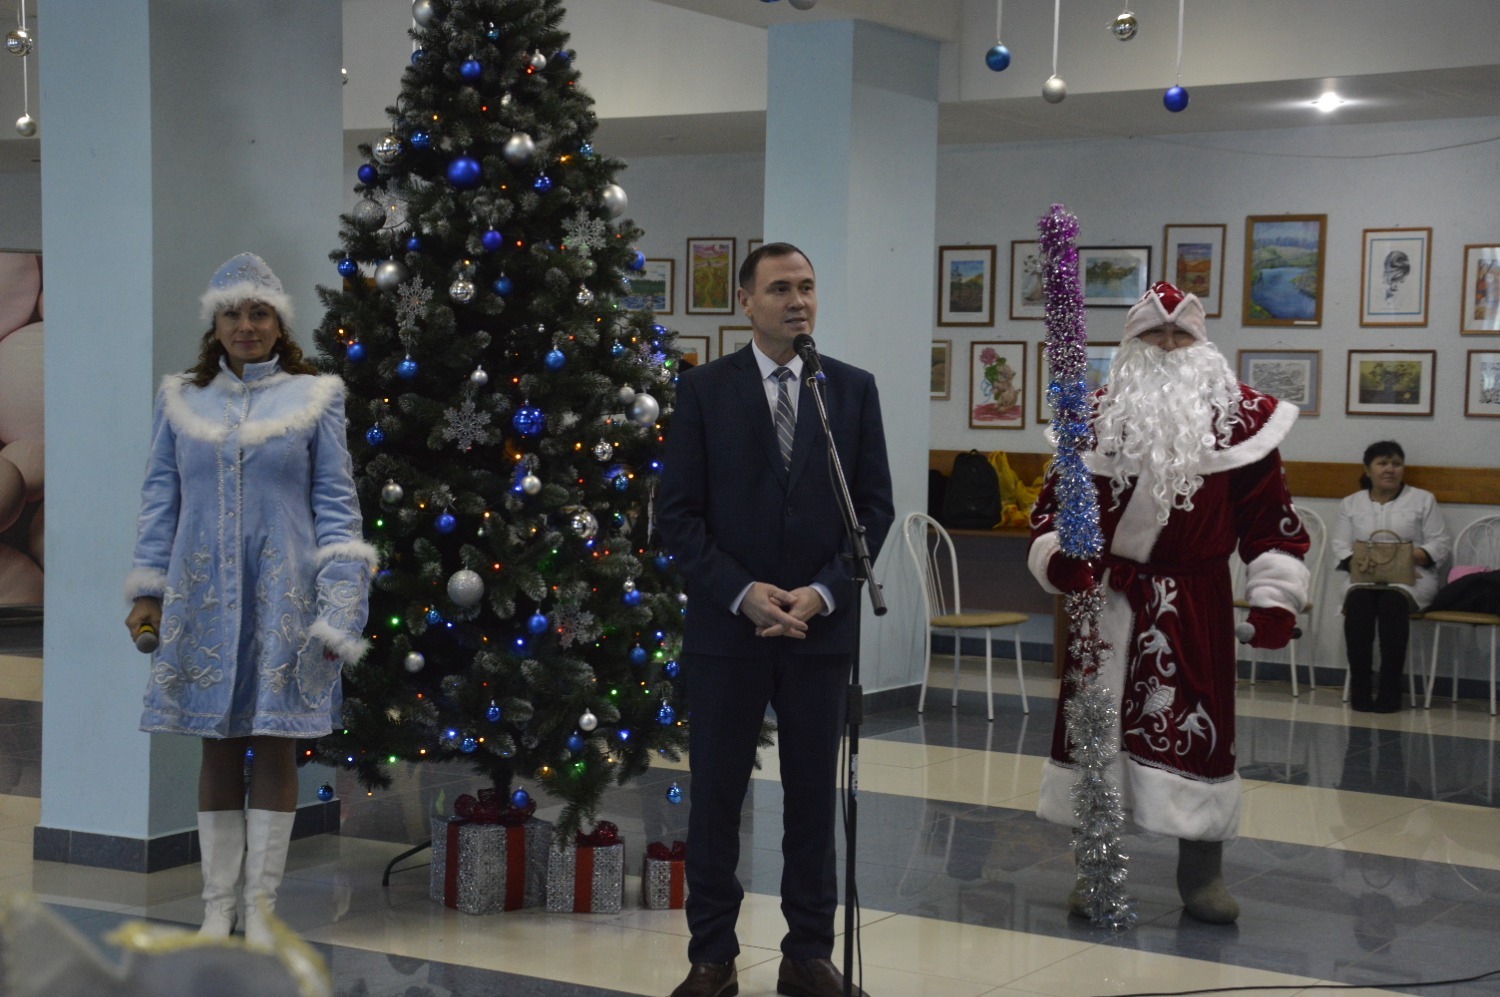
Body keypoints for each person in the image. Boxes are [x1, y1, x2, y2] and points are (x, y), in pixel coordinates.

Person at [1028, 281, 1310, 925]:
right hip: (1106, 604)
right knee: (1096, 736)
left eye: (1180, 333)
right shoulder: (1088, 419)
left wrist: (1274, 598)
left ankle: (1201, 873)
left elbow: (1271, 522)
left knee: (1197, 733)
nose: (1167, 344)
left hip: (1195, 605)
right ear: (1129, 343)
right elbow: (1050, 513)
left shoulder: (1245, 423)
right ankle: (1096, 866)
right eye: (1153, 332)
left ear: (1202, 342)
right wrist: (1060, 556)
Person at [657, 243, 894, 997]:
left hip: (818, 633)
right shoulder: (703, 391)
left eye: (808, 288)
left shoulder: (848, 390)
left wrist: (822, 592)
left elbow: (873, 508)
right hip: (729, 631)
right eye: (781, 289)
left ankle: (808, 953)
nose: (798, 302)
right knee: (716, 799)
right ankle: (711, 956)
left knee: (812, 801)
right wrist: (743, 593)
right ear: (746, 302)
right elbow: (678, 517)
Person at [123, 253, 376, 947]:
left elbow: (337, 505)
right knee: (217, 745)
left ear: (279, 323)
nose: (246, 325)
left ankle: (260, 906)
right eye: (232, 313)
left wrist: (341, 604)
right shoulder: (181, 398)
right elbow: (159, 498)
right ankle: (217, 907)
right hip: (202, 597)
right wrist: (148, 590)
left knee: (273, 745)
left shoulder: (315, 397)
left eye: (259, 313)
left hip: (283, 597)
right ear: (215, 323)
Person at [1331, 441, 1451, 713]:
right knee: (1359, 602)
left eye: (1396, 464)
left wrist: (1406, 558)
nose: (1390, 470)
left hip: (1413, 577)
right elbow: (1339, 545)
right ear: (1368, 469)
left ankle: (1390, 690)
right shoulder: (1351, 503)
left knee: (1391, 603)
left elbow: (1439, 543)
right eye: (1382, 463)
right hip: (1364, 576)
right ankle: (1361, 688)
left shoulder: (1423, 500)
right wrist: (1367, 562)